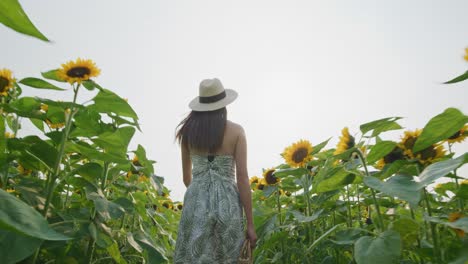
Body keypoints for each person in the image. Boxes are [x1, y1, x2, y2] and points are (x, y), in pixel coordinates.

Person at [174, 78, 257, 263]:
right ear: (223, 105)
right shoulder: (236, 132)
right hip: (228, 204)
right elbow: (243, 179)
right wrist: (250, 224)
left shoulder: (187, 133)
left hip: (196, 203)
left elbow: (187, 178)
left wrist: (202, 190)